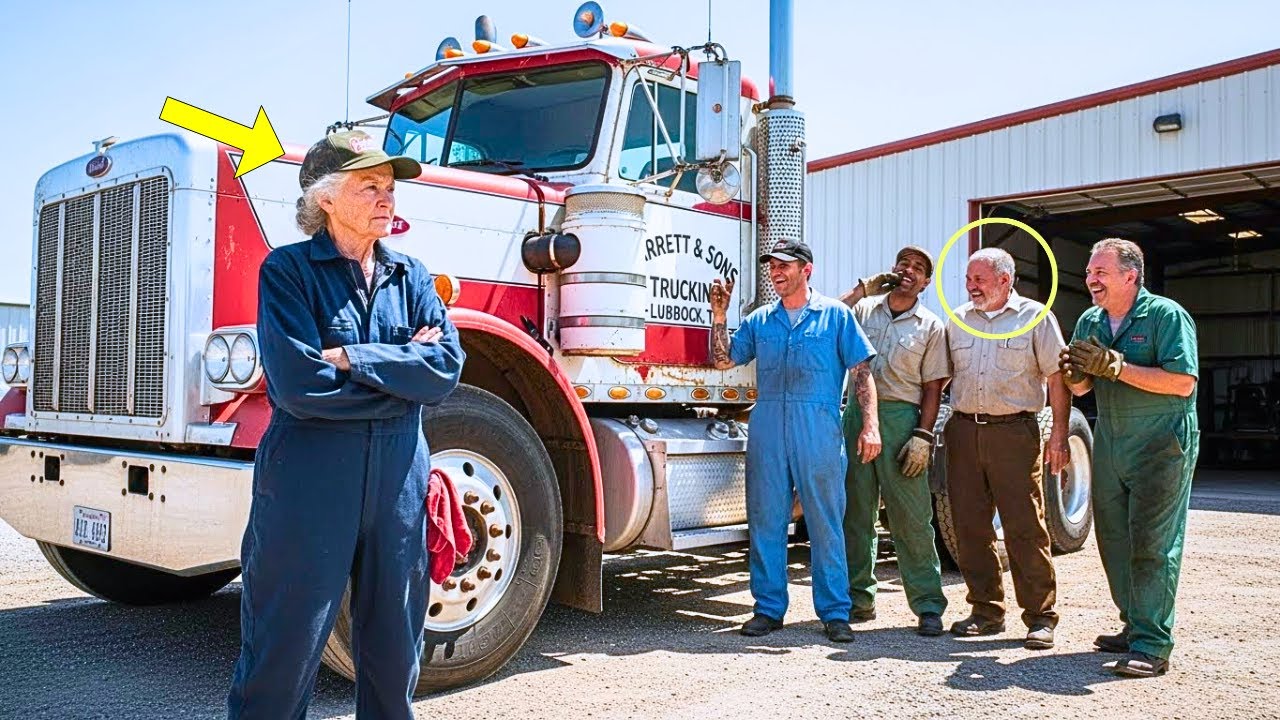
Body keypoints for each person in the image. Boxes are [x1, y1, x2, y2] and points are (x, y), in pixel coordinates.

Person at [227, 129, 466, 718]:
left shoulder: (412, 276)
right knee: (283, 651)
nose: (389, 200)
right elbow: (300, 386)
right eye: (371, 187)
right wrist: (402, 380)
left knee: (394, 656)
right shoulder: (287, 273)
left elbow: (445, 370)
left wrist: (354, 359)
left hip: (398, 490)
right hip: (309, 485)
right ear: (327, 198)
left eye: (390, 188)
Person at [709, 239, 880, 644]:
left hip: (818, 424)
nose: (775, 272)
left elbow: (862, 373)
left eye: (784, 265)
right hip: (768, 423)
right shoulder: (760, 320)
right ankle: (768, 609)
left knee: (825, 522)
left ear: (807, 270)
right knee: (766, 520)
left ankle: (835, 612)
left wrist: (869, 425)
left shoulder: (836, 316)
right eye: (772, 266)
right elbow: (722, 361)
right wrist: (719, 315)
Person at [1061, 238, 1198, 678]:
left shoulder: (1165, 316)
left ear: (1130, 276)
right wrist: (1076, 374)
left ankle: (1153, 644)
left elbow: (1182, 383)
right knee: (1115, 539)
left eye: (1100, 272)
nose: (1090, 280)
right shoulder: (1090, 320)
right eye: (1088, 272)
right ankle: (1134, 621)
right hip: (1113, 438)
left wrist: (1116, 366)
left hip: (1162, 442)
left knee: (1153, 544)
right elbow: (1083, 389)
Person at [943, 248, 1070, 650]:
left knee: (1024, 525)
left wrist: (1059, 434)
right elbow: (939, 377)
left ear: (1004, 280)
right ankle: (985, 611)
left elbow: (1056, 379)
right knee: (970, 526)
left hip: (1015, 433)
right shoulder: (958, 320)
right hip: (963, 431)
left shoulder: (1036, 317)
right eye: (968, 279)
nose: (970, 287)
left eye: (979, 279)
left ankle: (1040, 616)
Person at [838, 246, 949, 636]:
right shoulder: (864, 310)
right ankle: (858, 599)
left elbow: (934, 386)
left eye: (918, 268)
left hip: (902, 418)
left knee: (912, 517)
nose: (909, 271)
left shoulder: (931, 326)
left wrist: (923, 434)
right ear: (892, 269)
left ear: (926, 282)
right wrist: (860, 290)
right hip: (856, 415)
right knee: (856, 513)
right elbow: (826, 318)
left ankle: (929, 604)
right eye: (904, 263)